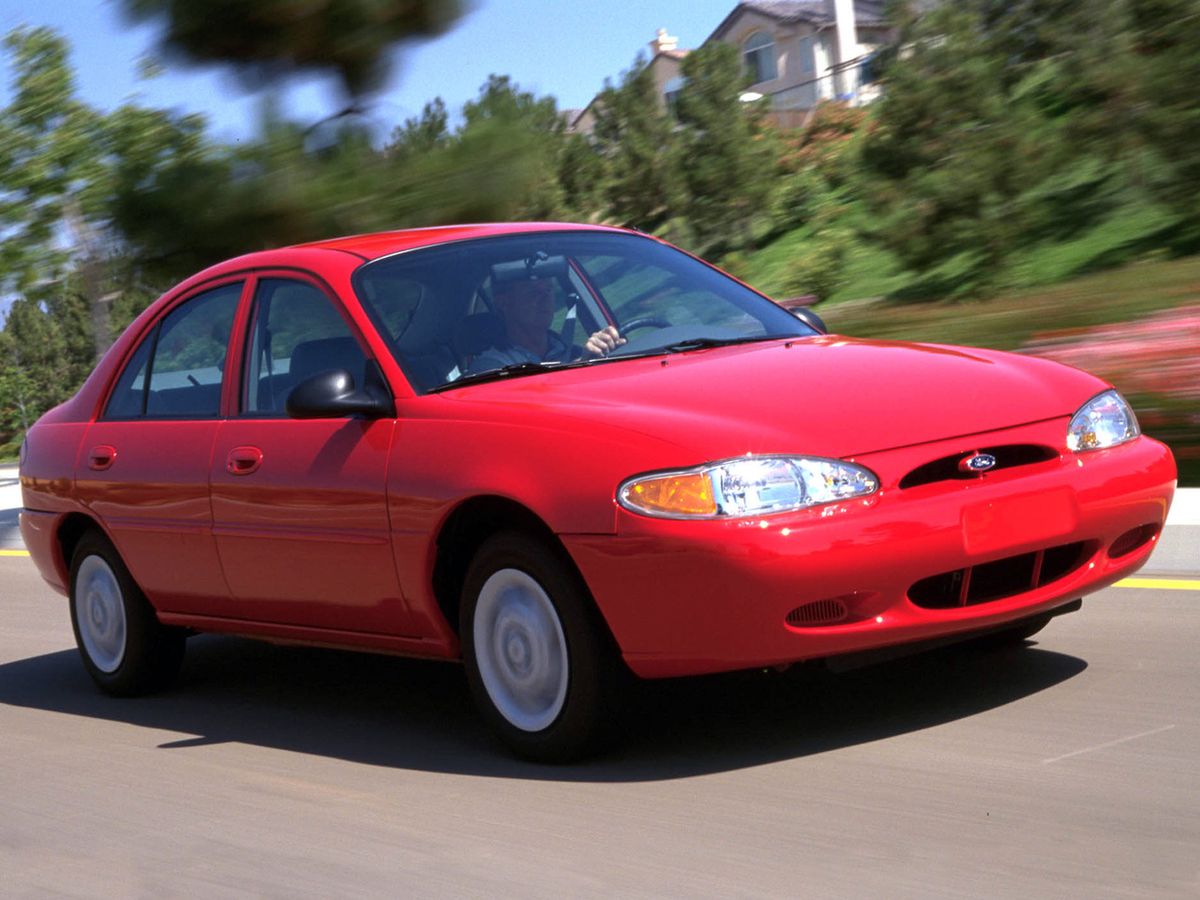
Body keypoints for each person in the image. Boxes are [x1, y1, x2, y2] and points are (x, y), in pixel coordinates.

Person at [468, 277, 625, 373]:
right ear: (504, 302)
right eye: (532, 292)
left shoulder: (570, 350)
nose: (544, 299)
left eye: (548, 290)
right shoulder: (489, 368)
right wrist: (582, 364)